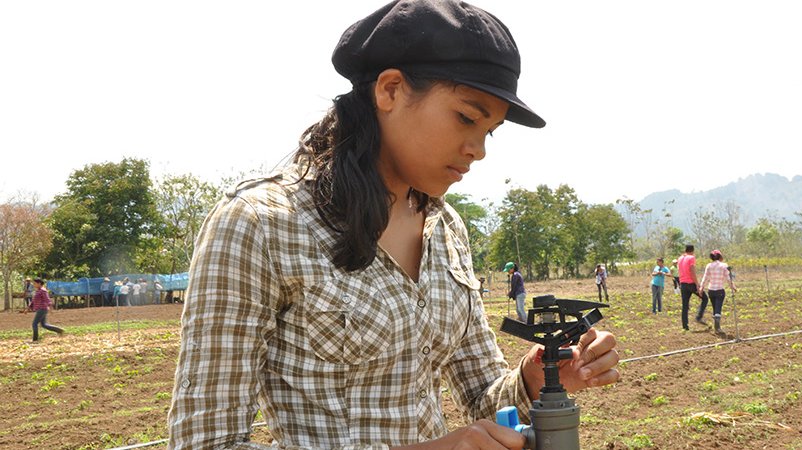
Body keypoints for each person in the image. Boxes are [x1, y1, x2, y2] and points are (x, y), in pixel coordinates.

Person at [167, 2, 620, 448]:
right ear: (390, 90)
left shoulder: (446, 230)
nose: (478, 149)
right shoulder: (260, 226)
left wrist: (535, 376)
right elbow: (206, 441)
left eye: (490, 131)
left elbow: (482, 399)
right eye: (466, 117)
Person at [698, 250, 737, 334]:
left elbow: (705, 277)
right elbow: (728, 278)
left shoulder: (709, 266)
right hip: (720, 290)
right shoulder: (724, 265)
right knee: (718, 308)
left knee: (715, 308)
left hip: (711, 290)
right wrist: (732, 286)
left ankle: (717, 326)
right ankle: (717, 328)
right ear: (719, 256)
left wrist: (701, 287)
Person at [676, 244, 704, 331]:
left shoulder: (680, 258)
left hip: (683, 284)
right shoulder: (691, 257)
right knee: (705, 298)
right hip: (691, 283)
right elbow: (692, 271)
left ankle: (685, 326)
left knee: (685, 305)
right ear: (692, 250)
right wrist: (697, 284)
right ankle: (699, 316)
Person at [30, 278, 65, 342]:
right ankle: (60, 330)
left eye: (35, 283)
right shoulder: (38, 291)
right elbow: (33, 300)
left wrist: (50, 307)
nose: (33, 285)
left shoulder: (43, 291)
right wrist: (28, 308)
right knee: (44, 325)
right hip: (40, 309)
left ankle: (35, 339)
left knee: (34, 324)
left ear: (39, 283)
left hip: (42, 309)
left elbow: (47, 299)